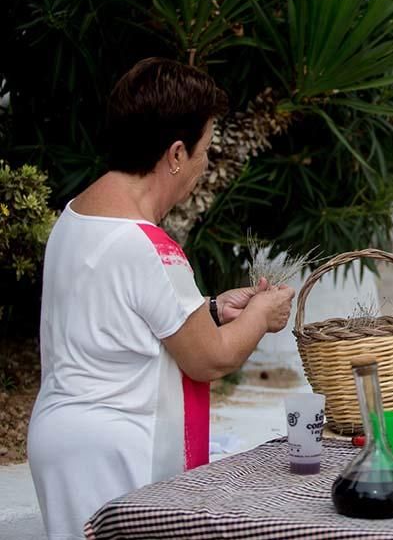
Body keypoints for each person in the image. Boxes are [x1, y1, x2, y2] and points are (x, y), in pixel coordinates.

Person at [27, 58, 296, 539]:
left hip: (60, 438)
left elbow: (117, 317)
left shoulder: (76, 216)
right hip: (117, 454)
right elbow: (210, 359)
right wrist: (260, 314)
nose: (204, 165)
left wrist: (211, 309)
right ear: (175, 154)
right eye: (204, 150)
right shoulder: (150, 246)